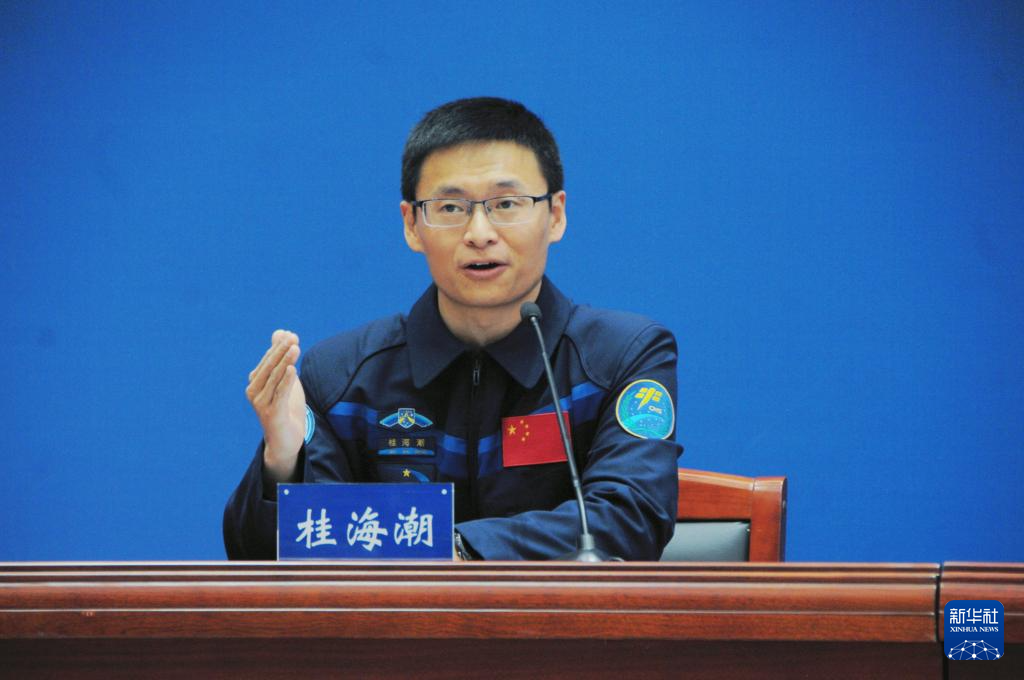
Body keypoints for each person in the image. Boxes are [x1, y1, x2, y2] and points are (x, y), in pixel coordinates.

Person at [223, 97, 681, 560]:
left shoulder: (618, 358)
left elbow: (631, 516)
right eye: (450, 208)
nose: (479, 233)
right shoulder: (343, 379)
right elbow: (270, 561)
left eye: (506, 203)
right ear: (412, 225)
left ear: (556, 215)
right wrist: (283, 462)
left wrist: (457, 552)